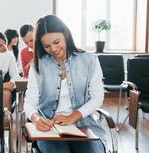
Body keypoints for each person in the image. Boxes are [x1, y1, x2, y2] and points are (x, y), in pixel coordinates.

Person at [24, 15, 106, 153]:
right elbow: (29, 103)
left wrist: (72, 117)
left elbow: (97, 98)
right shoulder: (38, 66)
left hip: (84, 125)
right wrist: (36, 118)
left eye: (57, 42)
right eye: (47, 46)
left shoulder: (90, 60)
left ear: (66, 34)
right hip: (49, 129)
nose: (54, 49)